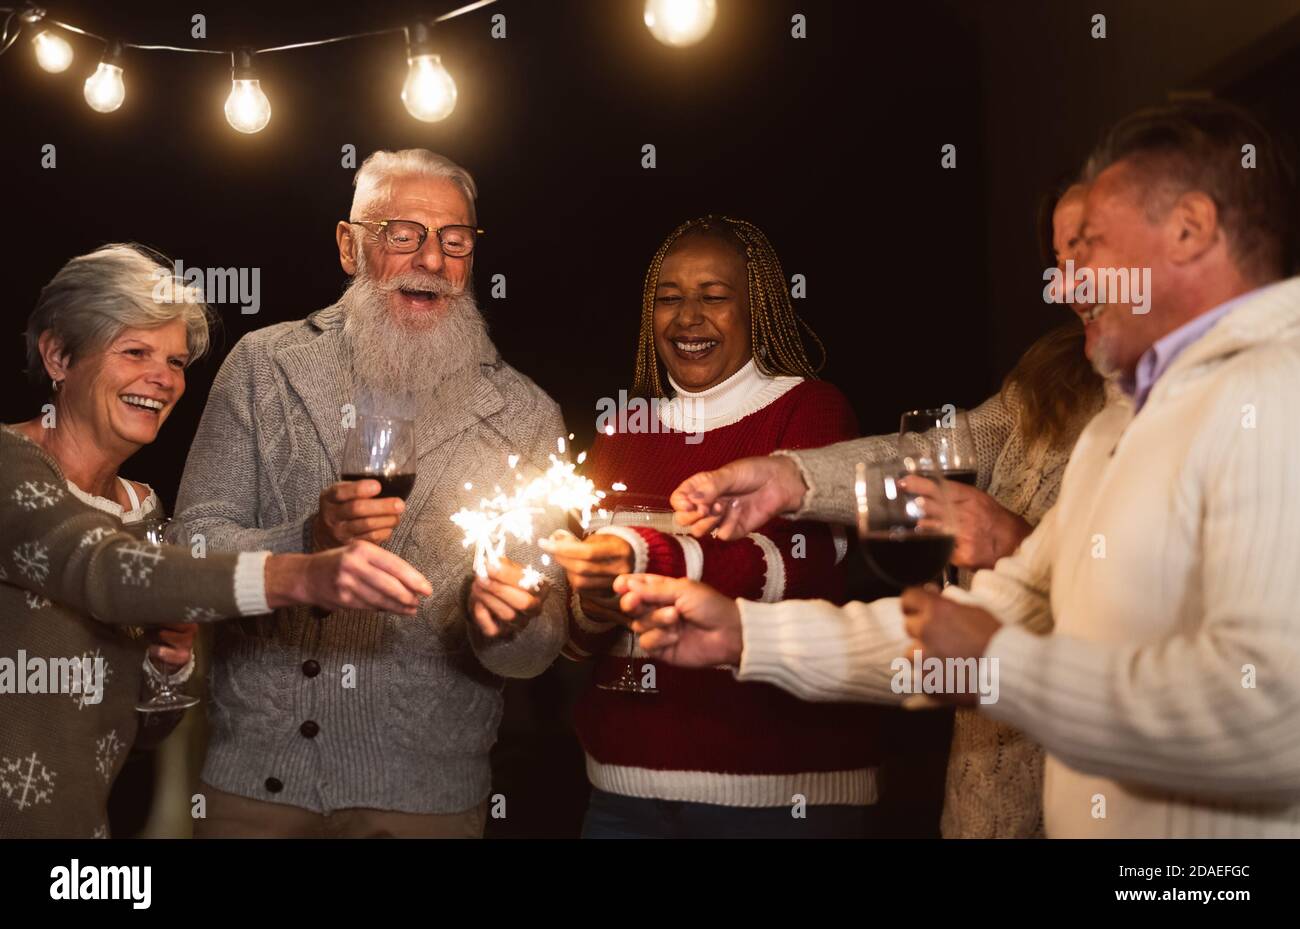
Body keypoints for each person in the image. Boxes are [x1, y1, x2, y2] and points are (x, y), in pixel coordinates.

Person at [620, 100, 1300, 838]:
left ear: (1190, 229)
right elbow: (988, 619)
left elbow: (1273, 718)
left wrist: (1000, 662)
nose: (1065, 286)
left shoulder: (1272, 392)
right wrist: (745, 635)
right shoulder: (1124, 422)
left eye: (1092, 245)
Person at [661, 183, 1108, 838]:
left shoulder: (1225, 414)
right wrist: (790, 479)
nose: (1066, 288)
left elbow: (1160, 649)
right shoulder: (1052, 380)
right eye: (1059, 261)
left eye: (1090, 255)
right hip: (988, 810)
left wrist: (1019, 545)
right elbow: (931, 451)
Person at [170, 150, 569, 838]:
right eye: (402, 233)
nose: (433, 260)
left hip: (424, 797)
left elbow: (535, 649)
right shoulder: (266, 367)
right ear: (349, 245)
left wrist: (508, 620)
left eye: (455, 240)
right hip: (256, 784)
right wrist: (308, 543)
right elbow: (188, 554)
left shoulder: (526, 413)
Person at [0, 244, 431, 838]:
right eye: (135, 352)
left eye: (175, 361)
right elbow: (100, 569)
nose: (162, 379)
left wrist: (168, 668)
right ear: (57, 355)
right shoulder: (8, 465)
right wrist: (302, 573)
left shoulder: (144, 508)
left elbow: (145, 730)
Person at [542, 215, 880, 838]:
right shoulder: (622, 428)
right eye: (668, 299)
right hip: (621, 790)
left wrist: (644, 557)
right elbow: (587, 633)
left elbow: (799, 565)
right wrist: (589, 600)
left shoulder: (811, 408)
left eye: (714, 297)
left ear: (760, 311)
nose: (688, 317)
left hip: (781, 793)